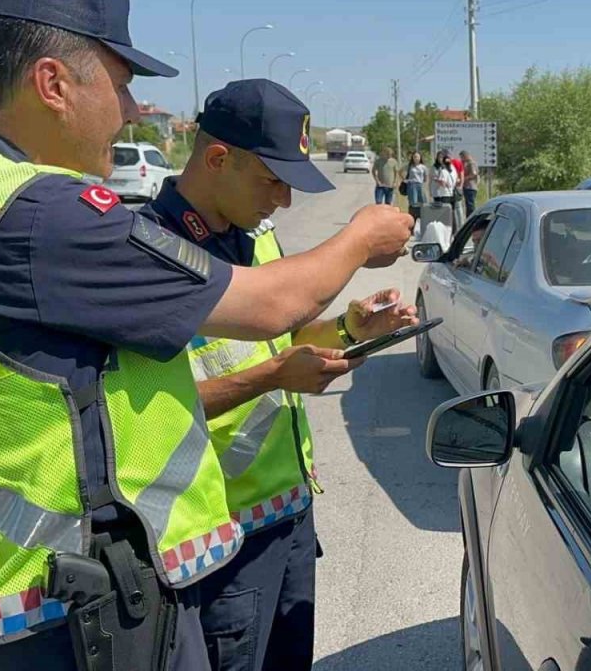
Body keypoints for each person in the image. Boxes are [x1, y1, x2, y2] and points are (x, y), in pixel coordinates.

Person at [0, 0, 412, 667]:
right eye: (120, 84)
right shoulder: (45, 214)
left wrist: (344, 327)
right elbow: (270, 309)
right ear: (53, 84)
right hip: (66, 605)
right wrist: (363, 234)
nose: (129, 111)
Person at [141, 79, 419, 669]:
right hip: (220, 536)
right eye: (273, 181)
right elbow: (143, 410)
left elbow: (285, 339)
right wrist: (271, 377)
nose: (285, 202)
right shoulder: (153, 251)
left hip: (288, 515)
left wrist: (350, 328)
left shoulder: (254, 238)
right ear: (218, 159)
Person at [403, 151, 427, 232]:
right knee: (413, 204)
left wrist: (423, 182)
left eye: (417, 156)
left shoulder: (423, 167)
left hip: (420, 185)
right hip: (412, 185)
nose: (416, 158)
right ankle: (411, 226)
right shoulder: (410, 166)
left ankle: (422, 225)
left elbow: (426, 177)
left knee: (422, 203)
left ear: (420, 158)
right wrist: (405, 180)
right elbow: (400, 171)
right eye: (414, 157)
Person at [459, 150, 480, 217]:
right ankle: (469, 217)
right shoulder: (467, 163)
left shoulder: (471, 163)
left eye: (462, 157)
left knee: (470, 205)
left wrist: (464, 179)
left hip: (470, 187)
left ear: (465, 156)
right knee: (468, 205)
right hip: (467, 186)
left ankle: (471, 218)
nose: (461, 159)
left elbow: (473, 174)